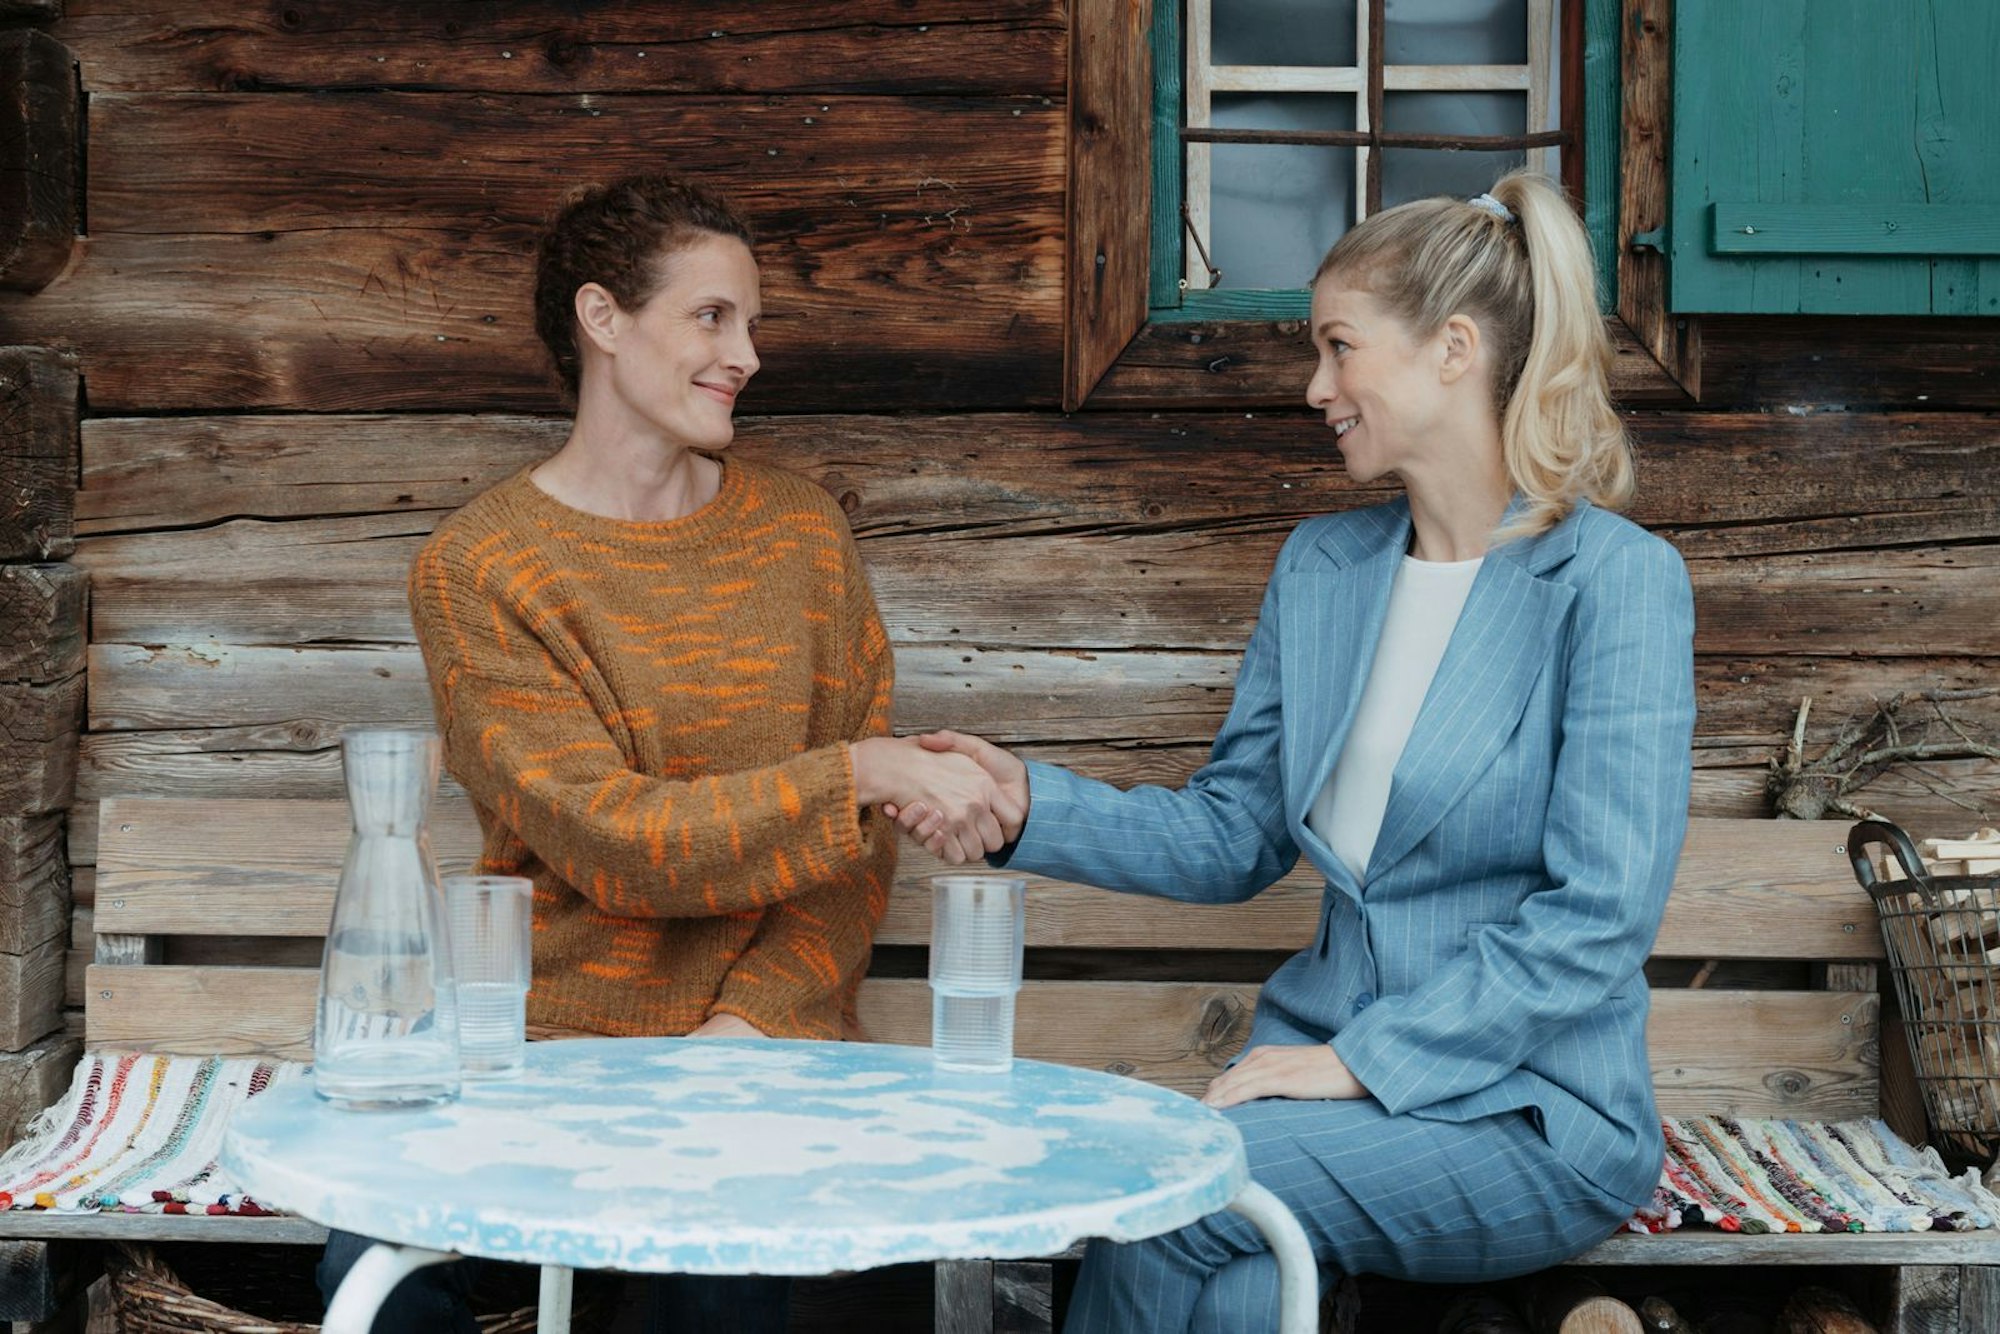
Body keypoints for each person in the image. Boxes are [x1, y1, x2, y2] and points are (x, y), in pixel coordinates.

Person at [889, 172, 1696, 1333]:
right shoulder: (1324, 570)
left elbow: (1598, 917)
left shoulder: (1612, 584)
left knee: (1169, 1196)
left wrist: (1366, 1059)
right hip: (1310, 1081)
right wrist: (1028, 806)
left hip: (1526, 1110)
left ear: (1452, 350)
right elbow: (1235, 831)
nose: (1315, 387)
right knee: (1240, 1297)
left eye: (1337, 347)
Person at [317, 174, 1019, 1332]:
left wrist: (747, 1031)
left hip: (761, 1050)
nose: (744, 353)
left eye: (750, 324)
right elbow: (611, 839)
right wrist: (864, 771)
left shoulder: (799, 532)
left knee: (723, 1284)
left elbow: (850, 866)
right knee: (372, 1272)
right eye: (711, 317)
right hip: (541, 1054)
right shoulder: (481, 567)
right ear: (602, 319)